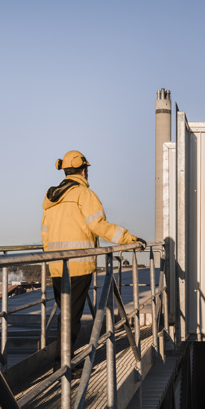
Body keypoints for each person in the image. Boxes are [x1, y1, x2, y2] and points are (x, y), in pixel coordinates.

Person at [41, 150, 145, 376]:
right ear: (83, 170)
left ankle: (62, 364)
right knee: (72, 318)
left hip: (57, 266)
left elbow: (45, 235)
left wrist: (52, 260)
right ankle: (62, 367)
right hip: (78, 266)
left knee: (66, 315)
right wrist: (130, 239)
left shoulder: (52, 200)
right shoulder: (84, 195)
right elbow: (99, 226)